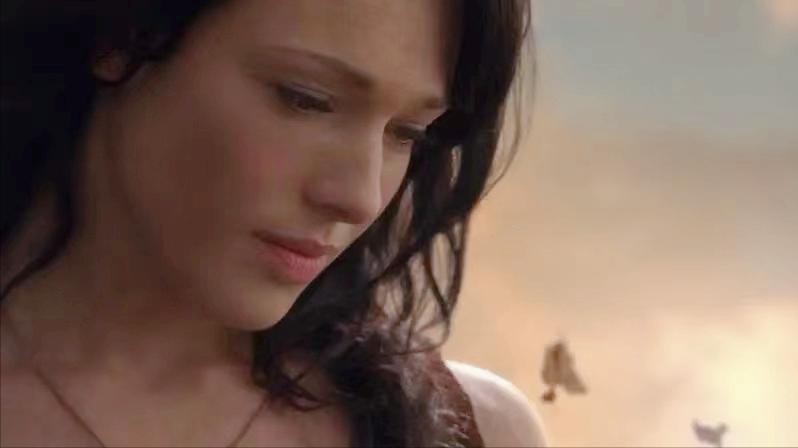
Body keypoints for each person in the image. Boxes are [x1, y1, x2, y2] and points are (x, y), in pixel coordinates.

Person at [0, 0, 546, 446]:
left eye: (408, 133)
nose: (358, 198)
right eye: (307, 100)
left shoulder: (475, 430)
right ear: (122, 36)